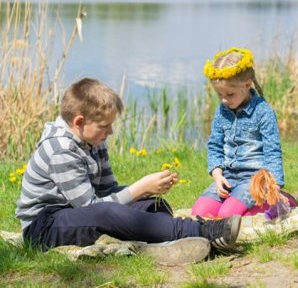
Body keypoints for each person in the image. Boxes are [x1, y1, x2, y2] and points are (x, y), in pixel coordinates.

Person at [16, 78, 241, 262]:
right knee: (109, 212)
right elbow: (92, 208)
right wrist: (140, 187)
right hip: (44, 226)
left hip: (77, 213)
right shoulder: (61, 150)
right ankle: (204, 231)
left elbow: (108, 189)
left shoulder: (94, 140)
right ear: (79, 121)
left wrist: (144, 193)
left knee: (153, 204)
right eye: (105, 126)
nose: (111, 132)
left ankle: (159, 246)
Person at [192, 47, 297, 219]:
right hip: (228, 178)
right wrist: (217, 175)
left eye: (230, 94)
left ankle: (280, 201)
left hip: (254, 180)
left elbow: (272, 151)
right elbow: (215, 146)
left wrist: (275, 185)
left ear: (247, 85)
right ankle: (240, 203)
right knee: (200, 213)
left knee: (227, 215)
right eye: (219, 95)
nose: (224, 100)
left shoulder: (263, 111)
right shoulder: (222, 111)